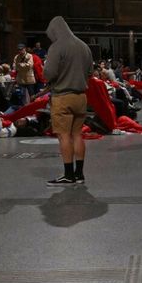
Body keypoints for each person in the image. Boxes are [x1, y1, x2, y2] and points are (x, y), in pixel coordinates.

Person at [42, 16, 93, 186]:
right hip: (81, 97)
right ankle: (80, 174)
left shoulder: (57, 47)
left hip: (62, 97)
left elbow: (49, 72)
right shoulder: (84, 46)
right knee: (77, 135)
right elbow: (90, 73)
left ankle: (68, 175)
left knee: (64, 136)